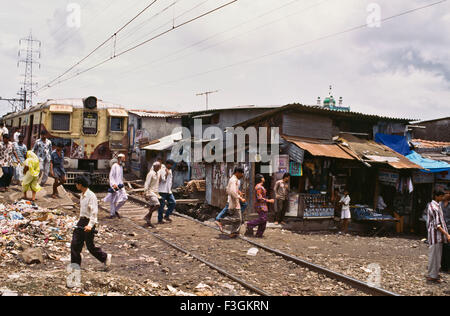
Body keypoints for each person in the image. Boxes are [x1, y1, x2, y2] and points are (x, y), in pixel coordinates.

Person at [71, 176, 111, 271]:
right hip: (82, 221)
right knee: (75, 243)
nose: (76, 186)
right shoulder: (82, 195)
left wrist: (90, 225)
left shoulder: (91, 196)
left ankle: (105, 257)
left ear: (80, 185)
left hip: (89, 221)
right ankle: (75, 266)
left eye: (76, 184)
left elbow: (94, 213)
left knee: (90, 246)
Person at [426, 191, 450, 283]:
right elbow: (437, 225)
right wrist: (447, 234)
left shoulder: (436, 205)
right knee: (434, 256)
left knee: (436, 256)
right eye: (441, 196)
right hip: (435, 236)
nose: (443, 197)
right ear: (437, 196)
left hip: (437, 236)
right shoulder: (434, 207)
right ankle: (432, 276)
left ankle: (434, 274)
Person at [245, 174, 274, 238]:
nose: (264, 178)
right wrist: (269, 201)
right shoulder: (259, 187)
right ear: (261, 179)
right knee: (262, 219)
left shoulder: (260, 186)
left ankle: (259, 234)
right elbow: (259, 198)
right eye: (263, 177)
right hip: (260, 206)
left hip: (263, 205)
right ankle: (249, 223)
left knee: (264, 221)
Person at [220, 167, 245, 238]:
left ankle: (234, 233)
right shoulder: (234, 180)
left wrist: (238, 193)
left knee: (238, 218)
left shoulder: (233, 179)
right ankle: (222, 221)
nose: (242, 175)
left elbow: (228, 190)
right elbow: (232, 191)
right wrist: (240, 198)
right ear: (237, 172)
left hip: (234, 201)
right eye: (241, 173)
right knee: (238, 218)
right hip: (234, 202)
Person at [103, 154, 128, 219]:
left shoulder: (121, 167)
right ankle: (112, 214)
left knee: (125, 198)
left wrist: (122, 184)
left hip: (120, 185)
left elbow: (120, 177)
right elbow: (111, 176)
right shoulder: (114, 166)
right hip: (115, 185)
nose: (124, 160)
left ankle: (115, 210)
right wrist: (113, 184)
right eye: (123, 159)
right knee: (113, 200)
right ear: (119, 159)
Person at [157, 159, 176, 224]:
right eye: (171, 165)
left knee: (173, 203)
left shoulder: (170, 170)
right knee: (161, 206)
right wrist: (167, 174)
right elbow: (163, 180)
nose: (171, 166)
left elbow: (170, 181)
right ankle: (160, 219)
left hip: (168, 190)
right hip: (162, 190)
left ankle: (166, 215)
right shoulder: (162, 170)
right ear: (167, 164)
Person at [144, 162, 162, 228]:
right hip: (150, 192)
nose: (159, 168)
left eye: (159, 167)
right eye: (158, 166)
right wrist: (145, 193)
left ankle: (148, 221)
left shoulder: (157, 173)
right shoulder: (150, 173)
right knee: (157, 204)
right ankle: (147, 216)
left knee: (152, 206)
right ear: (154, 166)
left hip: (155, 192)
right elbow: (147, 183)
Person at [440, 191, 450, 273]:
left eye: (447, 193)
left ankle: (448, 267)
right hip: (441, 229)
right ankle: (443, 266)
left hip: (449, 229)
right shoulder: (440, 204)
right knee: (442, 248)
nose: (446, 194)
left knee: (448, 248)